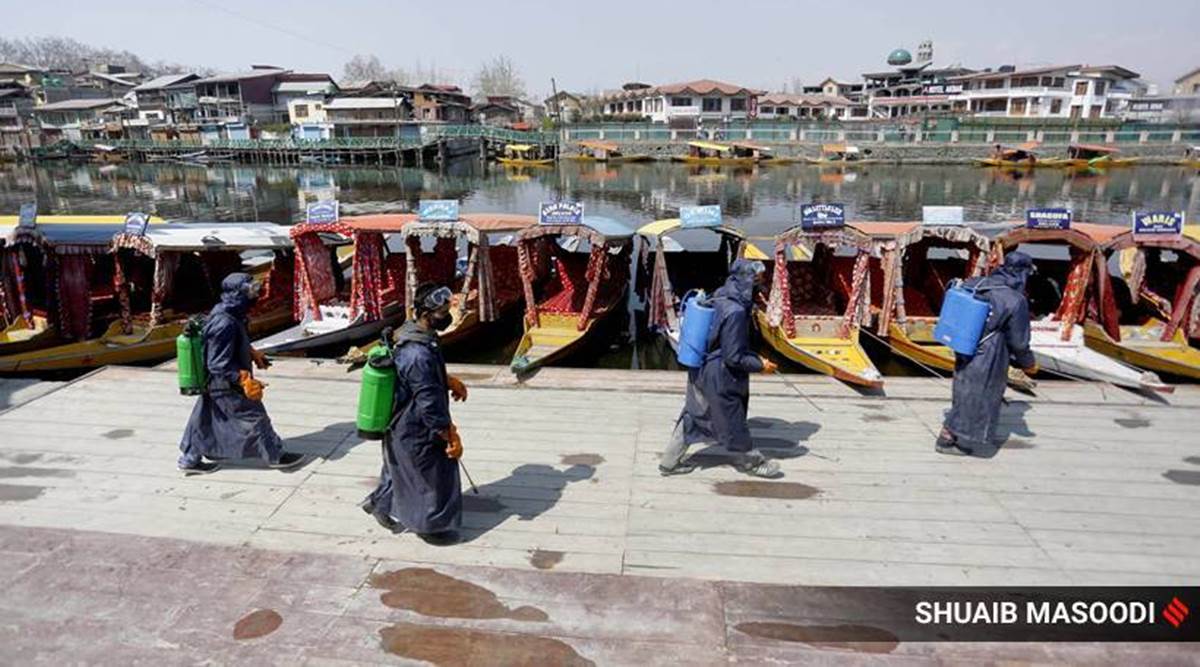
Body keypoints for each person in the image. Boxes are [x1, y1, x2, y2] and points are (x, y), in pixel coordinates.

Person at [362, 283, 469, 544]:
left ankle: (379, 504)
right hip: (415, 427)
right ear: (425, 313)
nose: (447, 316)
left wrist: (447, 379)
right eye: (442, 312)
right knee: (428, 476)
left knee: (399, 468)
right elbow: (429, 402)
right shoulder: (417, 352)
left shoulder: (415, 336)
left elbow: (423, 379)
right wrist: (449, 433)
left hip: (400, 424)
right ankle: (430, 527)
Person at [659, 259, 782, 478]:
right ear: (747, 281)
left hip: (700, 368)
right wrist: (759, 364)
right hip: (720, 376)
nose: (762, 285)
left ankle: (668, 462)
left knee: (694, 413)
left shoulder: (721, 294)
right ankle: (752, 463)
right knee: (733, 420)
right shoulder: (735, 311)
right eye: (758, 280)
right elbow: (733, 356)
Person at [178, 273, 305, 475]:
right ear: (239, 294)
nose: (256, 296)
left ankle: (189, 460)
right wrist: (243, 379)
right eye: (251, 291)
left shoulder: (231, 314)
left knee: (203, 419)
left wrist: (251, 353)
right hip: (226, 383)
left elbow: (232, 343)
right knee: (255, 417)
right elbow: (217, 362)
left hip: (219, 382)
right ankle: (275, 455)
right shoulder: (224, 322)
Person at [937, 252, 1039, 456]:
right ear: (1022, 274)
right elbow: (1019, 341)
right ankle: (949, 437)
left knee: (965, 388)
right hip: (991, 351)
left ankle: (953, 434)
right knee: (981, 393)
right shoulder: (1015, 299)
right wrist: (1028, 364)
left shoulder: (975, 283)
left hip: (965, 344)